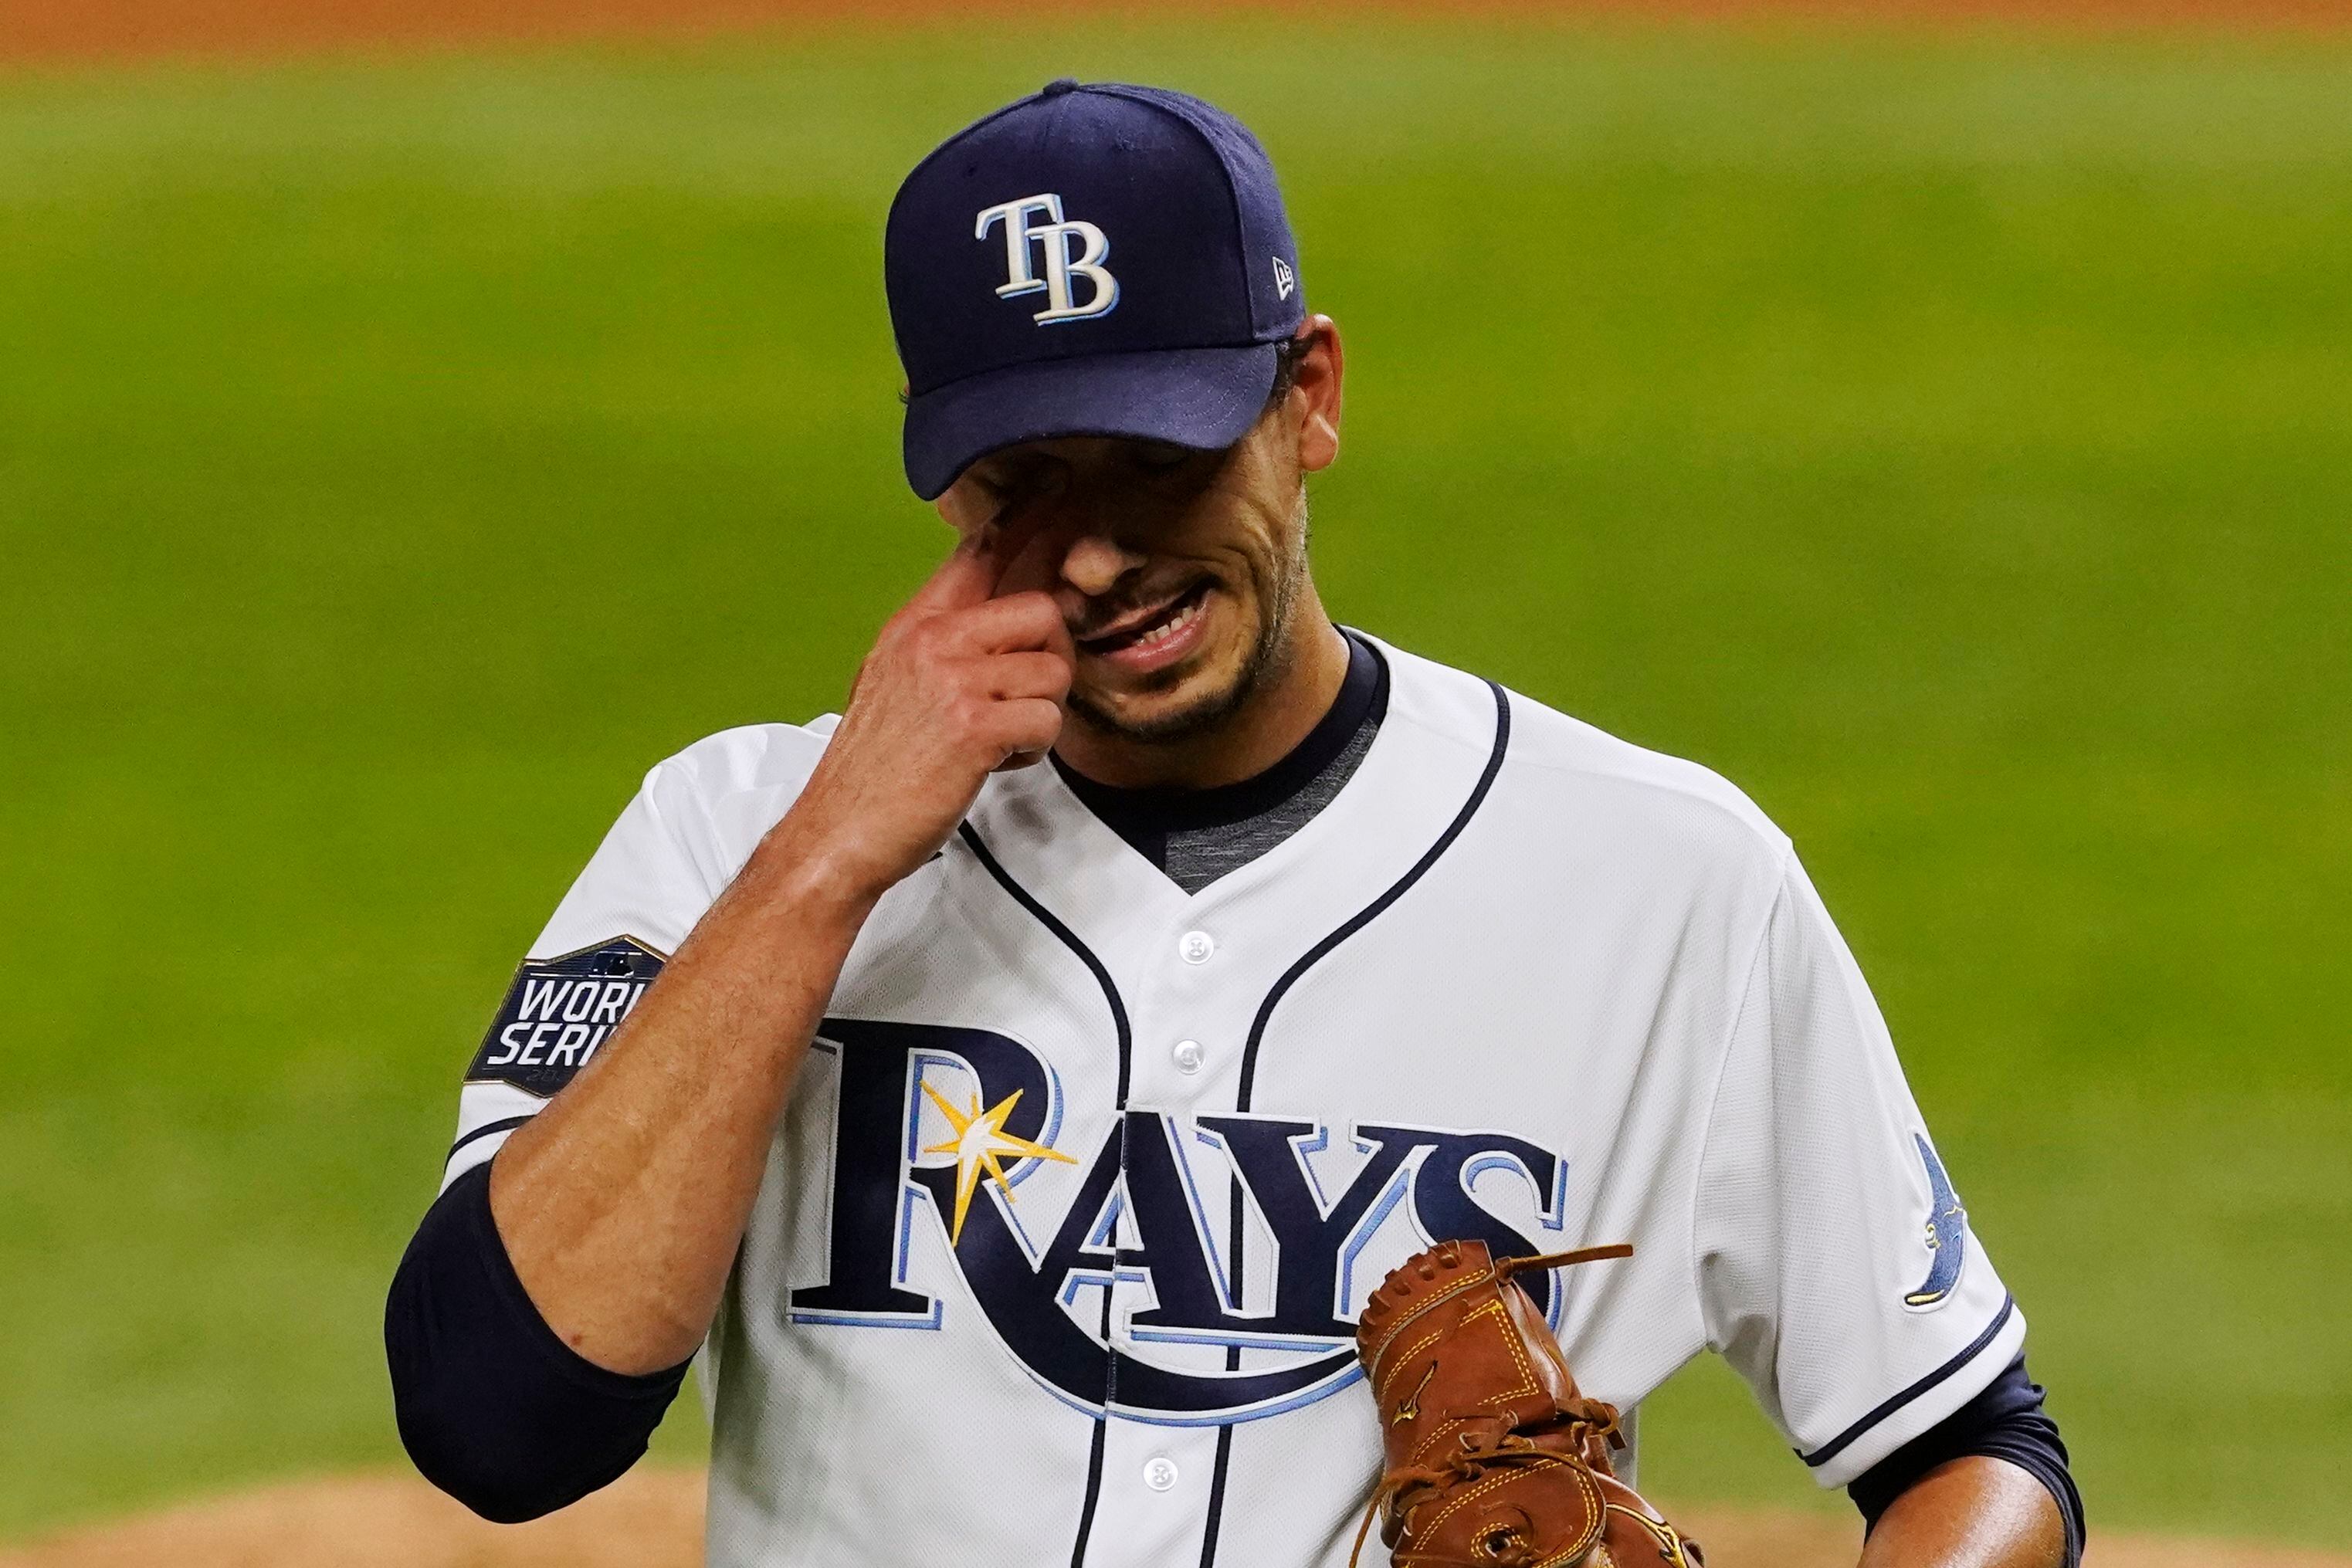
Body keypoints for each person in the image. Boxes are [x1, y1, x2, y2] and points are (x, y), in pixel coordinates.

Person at [386, 79, 2084, 1568]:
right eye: (1021, 482)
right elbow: (497, 1424)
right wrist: (826, 862)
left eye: (1154, 456)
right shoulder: (735, 830)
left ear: (1308, 396)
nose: (1099, 553)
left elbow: (1970, 1448)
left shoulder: (1662, 880)